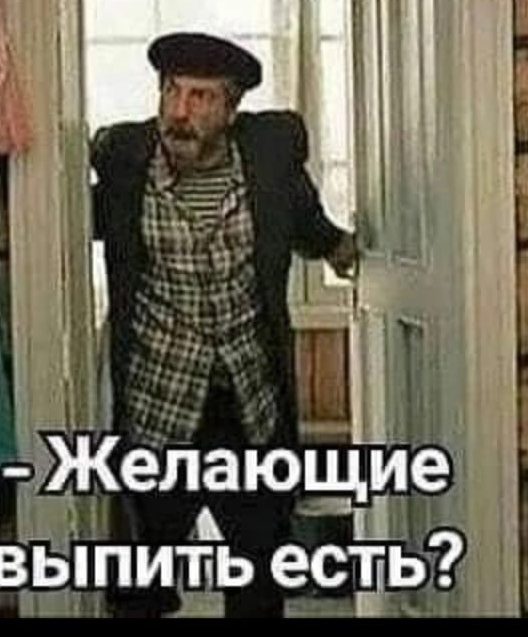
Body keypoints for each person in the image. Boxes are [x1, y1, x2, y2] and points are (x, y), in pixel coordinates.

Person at [90, 31, 357, 618]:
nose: (180, 111)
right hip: (159, 407)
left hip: (247, 408)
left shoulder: (268, 168)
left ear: (231, 110)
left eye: (201, 96)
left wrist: (348, 251)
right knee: (139, 586)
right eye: (171, 92)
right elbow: (67, 219)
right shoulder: (126, 167)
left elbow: (311, 227)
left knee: (259, 575)